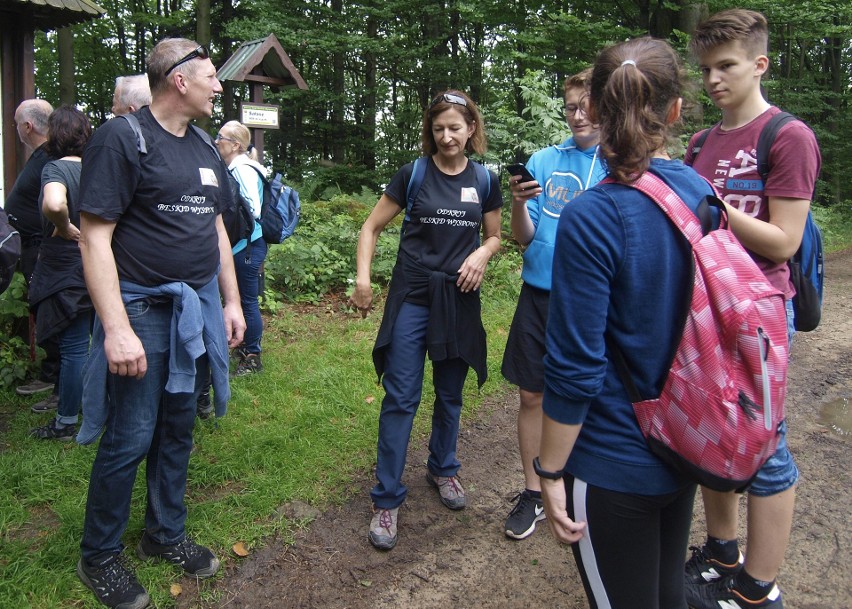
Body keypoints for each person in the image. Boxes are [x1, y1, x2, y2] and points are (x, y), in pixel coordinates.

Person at [537, 37, 715, 609]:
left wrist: (550, 469)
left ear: (597, 111)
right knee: (666, 596)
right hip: (684, 444)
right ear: (675, 111)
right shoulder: (702, 193)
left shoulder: (592, 215)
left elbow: (574, 366)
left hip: (612, 461)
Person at [76, 38, 245, 609]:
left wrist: (231, 301)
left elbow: (216, 229)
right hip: (143, 310)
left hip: (193, 312)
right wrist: (116, 326)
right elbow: (95, 236)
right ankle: (99, 554)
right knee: (131, 434)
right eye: (211, 77)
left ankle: (162, 533)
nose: (219, 86)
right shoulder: (123, 139)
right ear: (179, 80)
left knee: (178, 428)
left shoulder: (202, 146)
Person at [682, 10, 820, 609]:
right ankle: (720, 551)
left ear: (759, 64)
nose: (713, 79)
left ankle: (759, 588)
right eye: (706, 68)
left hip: (761, 309)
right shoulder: (699, 142)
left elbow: (785, 242)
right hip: (704, 305)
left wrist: (712, 208)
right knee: (713, 429)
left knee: (765, 443)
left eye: (727, 66)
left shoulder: (787, 137)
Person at [350, 90, 502, 550]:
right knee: (401, 396)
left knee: (450, 392)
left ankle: (444, 468)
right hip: (413, 296)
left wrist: (481, 252)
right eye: (439, 128)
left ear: (471, 128)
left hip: (459, 297)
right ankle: (387, 498)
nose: (447, 136)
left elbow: (497, 237)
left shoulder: (486, 179)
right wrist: (363, 280)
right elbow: (370, 227)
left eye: (455, 127)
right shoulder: (413, 174)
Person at [501, 68, 606, 540]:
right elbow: (525, 239)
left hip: (591, 297)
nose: (578, 114)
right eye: (571, 106)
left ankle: (586, 484)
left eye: (587, 105)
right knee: (531, 394)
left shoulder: (618, 162)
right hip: (540, 292)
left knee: (593, 394)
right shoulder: (544, 159)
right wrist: (518, 203)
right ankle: (533, 492)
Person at [27, 106, 94, 441]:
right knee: (95, 343)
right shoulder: (97, 169)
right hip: (99, 264)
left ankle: (67, 422)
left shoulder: (55, 168)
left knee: (73, 348)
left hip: (66, 268)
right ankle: (98, 410)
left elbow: (54, 204)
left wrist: (64, 226)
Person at [7, 99, 62, 409]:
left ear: (27, 126)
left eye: (16, 123)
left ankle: (56, 375)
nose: (16, 129)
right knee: (42, 311)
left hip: (41, 249)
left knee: (49, 313)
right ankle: (52, 371)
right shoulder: (41, 156)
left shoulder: (50, 158)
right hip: (31, 246)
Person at [215, 120, 268, 377]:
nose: (216, 141)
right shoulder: (237, 166)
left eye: (220, 137)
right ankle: (242, 345)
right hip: (242, 246)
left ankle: (252, 357)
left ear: (235, 145)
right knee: (239, 300)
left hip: (246, 247)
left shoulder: (243, 169)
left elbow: (253, 209)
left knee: (247, 302)